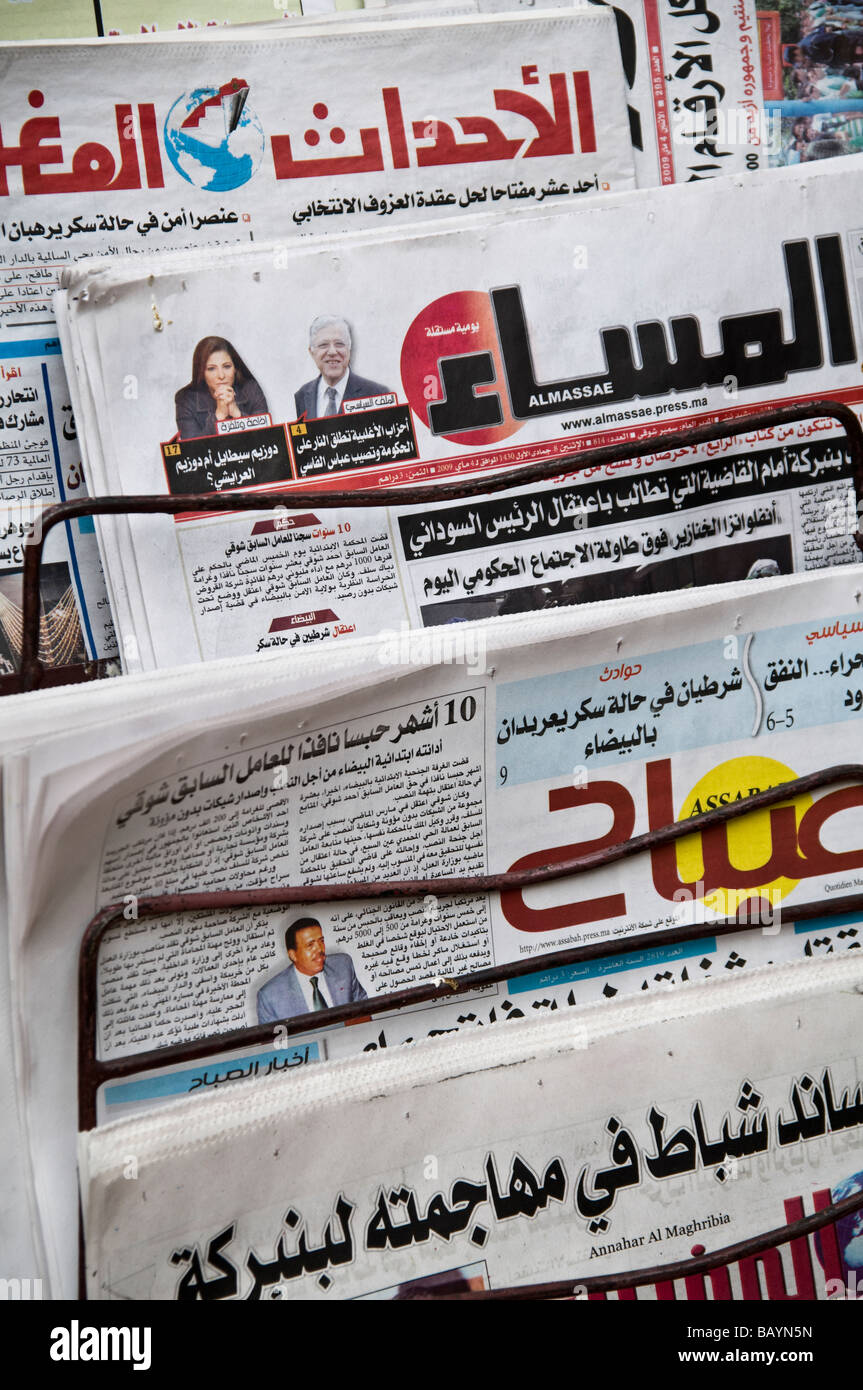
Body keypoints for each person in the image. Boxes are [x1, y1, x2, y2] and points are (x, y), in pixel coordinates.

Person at [256, 916, 367, 1023]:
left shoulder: (343, 966)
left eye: (321, 941)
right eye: (310, 945)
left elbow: (364, 1010)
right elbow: (276, 1041)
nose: (319, 949)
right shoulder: (270, 996)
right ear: (293, 955)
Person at [294, 314, 391, 420]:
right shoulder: (302, 396)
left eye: (339, 344)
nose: (332, 352)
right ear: (312, 352)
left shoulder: (378, 394)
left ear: (349, 349)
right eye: (323, 345)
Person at [175, 336, 269, 440]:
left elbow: (265, 437)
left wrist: (237, 414)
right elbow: (191, 451)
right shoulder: (185, 399)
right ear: (201, 372)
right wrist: (218, 416)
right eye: (211, 369)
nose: (221, 376)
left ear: (235, 368)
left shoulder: (251, 389)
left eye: (227, 366)